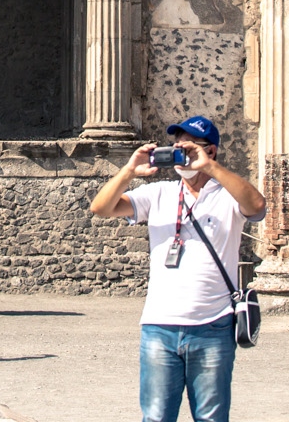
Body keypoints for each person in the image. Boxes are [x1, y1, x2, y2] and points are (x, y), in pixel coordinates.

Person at [88, 115, 268, 422]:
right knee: (156, 417)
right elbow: (101, 207)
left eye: (188, 147)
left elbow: (257, 206)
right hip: (160, 327)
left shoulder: (228, 196)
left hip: (214, 326)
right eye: (176, 145)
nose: (179, 152)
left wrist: (210, 169)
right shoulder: (160, 193)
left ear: (210, 151)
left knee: (211, 418)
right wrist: (129, 170)